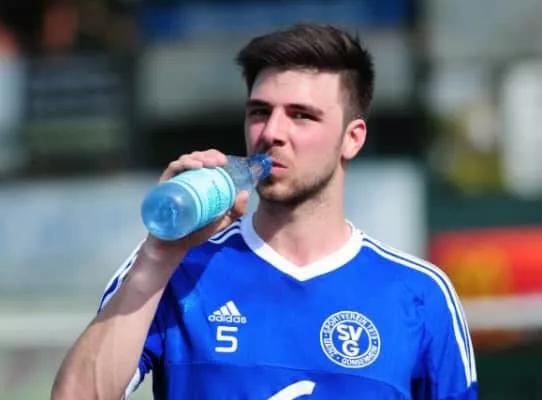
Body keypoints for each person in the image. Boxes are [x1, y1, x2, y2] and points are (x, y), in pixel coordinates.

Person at [52, 23, 478, 399]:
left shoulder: (419, 295)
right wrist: (159, 254)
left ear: (352, 138)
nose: (272, 132)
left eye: (301, 116)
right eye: (260, 112)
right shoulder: (178, 267)